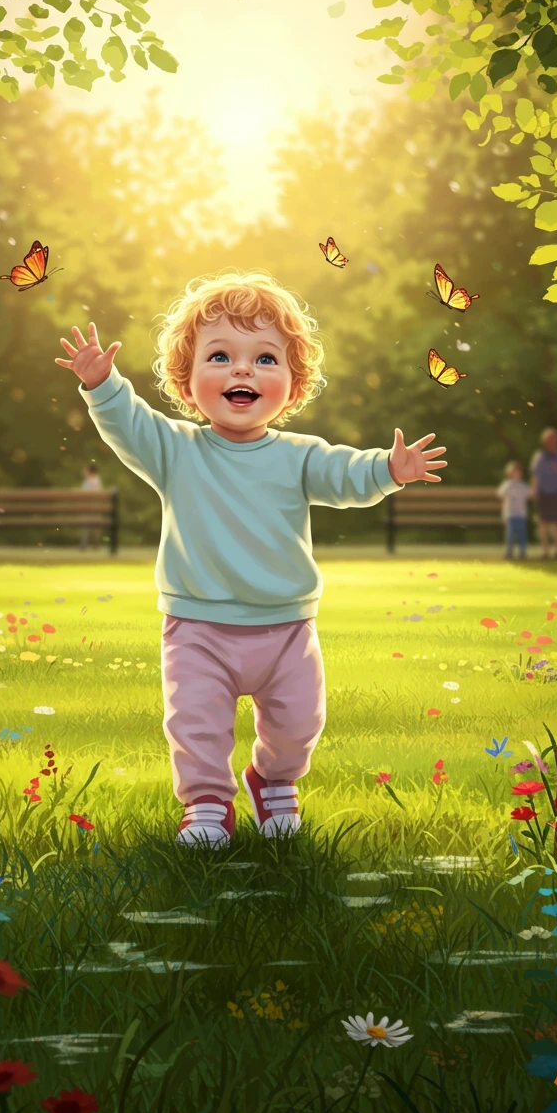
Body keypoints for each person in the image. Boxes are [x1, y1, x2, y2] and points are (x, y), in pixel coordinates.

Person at [55, 270, 448, 850]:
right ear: (188, 384)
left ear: (293, 385)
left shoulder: (299, 456)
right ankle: (209, 804)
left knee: (298, 726)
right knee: (197, 726)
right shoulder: (176, 451)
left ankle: (273, 782)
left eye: (265, 359)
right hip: (199, 628)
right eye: (220, 355)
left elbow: (346, 474)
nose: (243, 370)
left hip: (286, 628)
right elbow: (128, 426)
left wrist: (388, 471)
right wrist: (102, 384)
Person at [530, 427, 557, 560]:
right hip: (543, 494)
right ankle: (545, 551)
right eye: (549, 439)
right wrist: (534, 491)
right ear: (544, 441)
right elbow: (535, 476)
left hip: (556, 493)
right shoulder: (539, 457)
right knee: (543, 523)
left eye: (554, 439)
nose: (552, 442)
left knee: (556, 523)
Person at [497, 461, 530, 560]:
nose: (516, 474)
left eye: (518, 472)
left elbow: (531, 493)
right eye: (514, 472)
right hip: (510, 515)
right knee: (510, 536)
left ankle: (522, 553)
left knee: (522, 535)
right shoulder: (507, 485)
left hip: (521, 515)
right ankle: (509, 553)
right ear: (510, 473)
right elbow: (500, 494)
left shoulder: (523, 486)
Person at [80, 463, 103, 552]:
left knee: (87, 526)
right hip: (94, 508)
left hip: (90, 508)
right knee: (94, 528)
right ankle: (95, 545)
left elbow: (84, 494)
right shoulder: (97, 480)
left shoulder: (91, 481)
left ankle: (85, 545)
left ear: (89, 472)